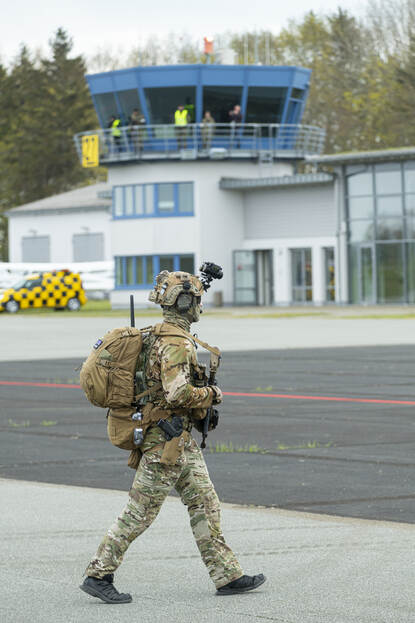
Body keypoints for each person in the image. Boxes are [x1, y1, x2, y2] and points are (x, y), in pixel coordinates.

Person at [80, 269, 266, 603]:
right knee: (140, 512)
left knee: (205, 503)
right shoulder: (176, 342)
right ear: (186, 304)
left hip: (177, 439)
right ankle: (98, 573)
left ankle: (227, 574)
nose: (199, 306)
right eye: (196, 300)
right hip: (163, 441)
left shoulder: (156, 334)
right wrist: (213, 394)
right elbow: (178, 394)